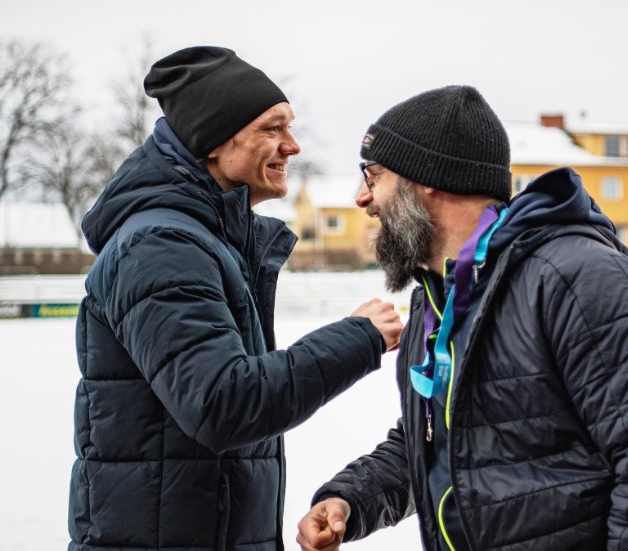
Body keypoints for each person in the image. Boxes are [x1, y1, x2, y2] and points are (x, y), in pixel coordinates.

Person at [297, 85, 628, 551]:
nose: (362, 197)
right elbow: (446, 442)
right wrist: (351, 499)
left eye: (374, 176)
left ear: (427, 177)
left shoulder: (577, 277)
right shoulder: (437, 299)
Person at [68, 46, 403, 551]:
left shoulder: (203, 239)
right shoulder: (161, 247)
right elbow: (222, 404)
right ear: (214, 141)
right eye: (272, 128)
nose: (292, 146)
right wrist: (357, 339)